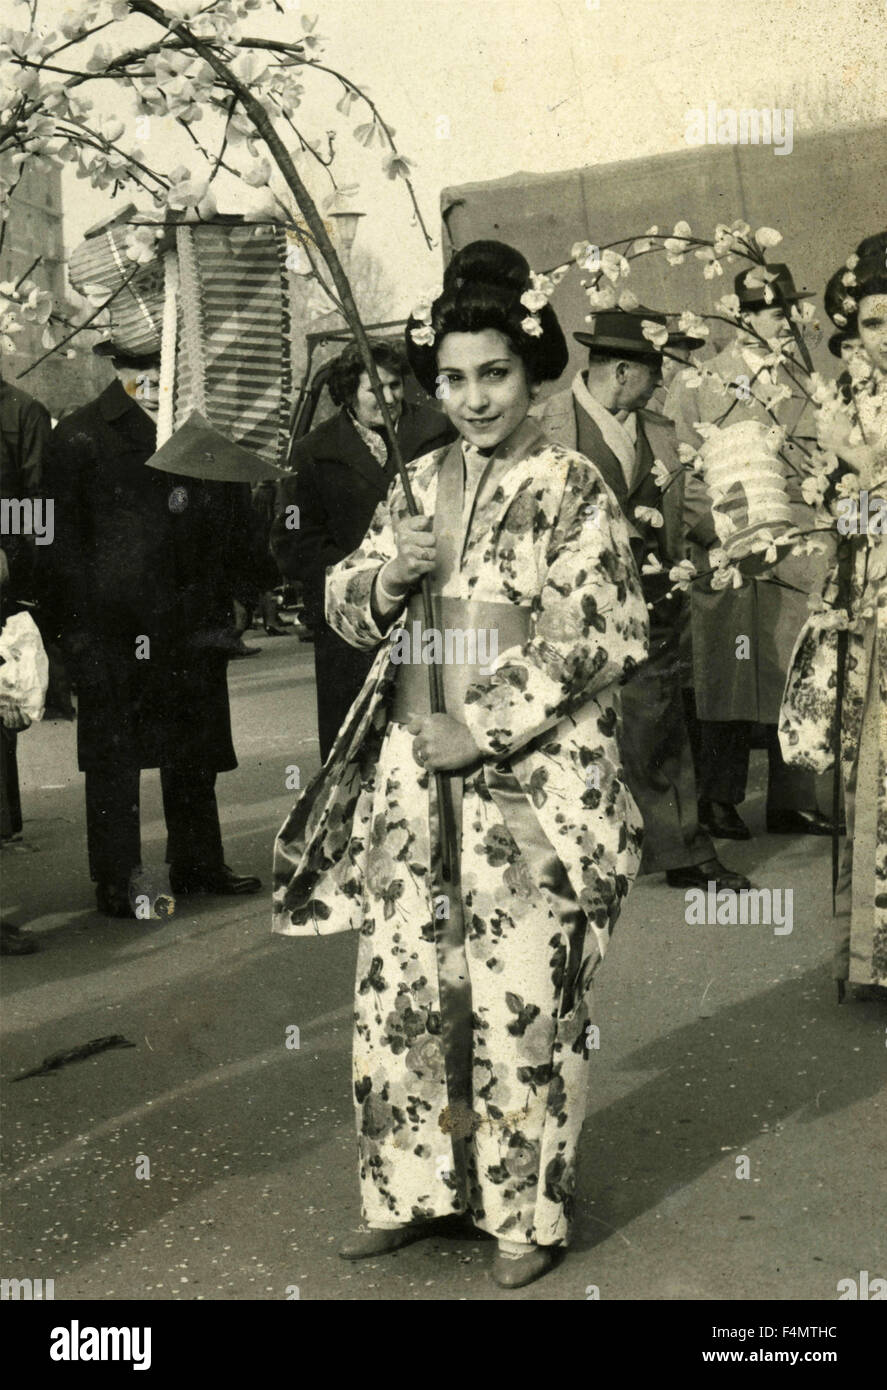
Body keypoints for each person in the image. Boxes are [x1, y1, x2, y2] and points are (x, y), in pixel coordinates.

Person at [273, 241, 649, 1289]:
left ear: (532, 375)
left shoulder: (568, 484)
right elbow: (340, 602)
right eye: (452, 378)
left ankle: (524, 1212)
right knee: (402, 988)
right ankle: (410, 1189)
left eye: (493, 375)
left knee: (520, 990)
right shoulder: (416, 481)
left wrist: (481, 726)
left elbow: (602, 633)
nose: (473, 397)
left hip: (518, 780)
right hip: (408, 778)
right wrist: (383, 578)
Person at [41, 330, 262, 917]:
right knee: (114, 757)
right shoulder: (81, 434)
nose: (154, 378)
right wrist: (70, 629)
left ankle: (198, 861)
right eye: (140, 367)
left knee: (195, 746)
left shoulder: (198, 430)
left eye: (163, 364)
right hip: (111, 625)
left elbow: (235, 513)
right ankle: (116, 876)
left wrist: (242, 589)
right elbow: (56, 539)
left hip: (192, 618)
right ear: (118, 366)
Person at [535, 310, 749, 893]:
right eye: (656, 373)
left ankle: (684, 850)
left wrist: (744, 535)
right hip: (566, 609)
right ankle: (567, 859)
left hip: (650, 600)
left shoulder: (658, 429)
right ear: (625, 370)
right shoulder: (542, 425)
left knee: (659, 722)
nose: (662, 386)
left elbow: (693, 501)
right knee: (567, 731)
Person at [666, 264, 834, 841]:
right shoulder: (701, 381)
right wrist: (720, 533)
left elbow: (823, 464)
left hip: (795, 544)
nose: (784, 321)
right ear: (741, 318)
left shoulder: (805, 380)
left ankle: (793, 799)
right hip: (729, 548)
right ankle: (718, 798)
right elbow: (683, 471)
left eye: (788, 310)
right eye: (770, 311)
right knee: (729, 675)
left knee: (793, 670)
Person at [781, 247, 886, 995]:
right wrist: (847, 474)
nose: (885, 336)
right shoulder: (848, 400)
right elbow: (850, 518)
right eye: (875, 321)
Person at [271, 340, 455, 761]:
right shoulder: (313, 452)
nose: (390, 398)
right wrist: (357, 574)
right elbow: (293, 536)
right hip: (348, 632)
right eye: (377, 389)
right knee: (352, 753)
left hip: (425, 615)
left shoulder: (436, 433)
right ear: (349, 393)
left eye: (395, 386)